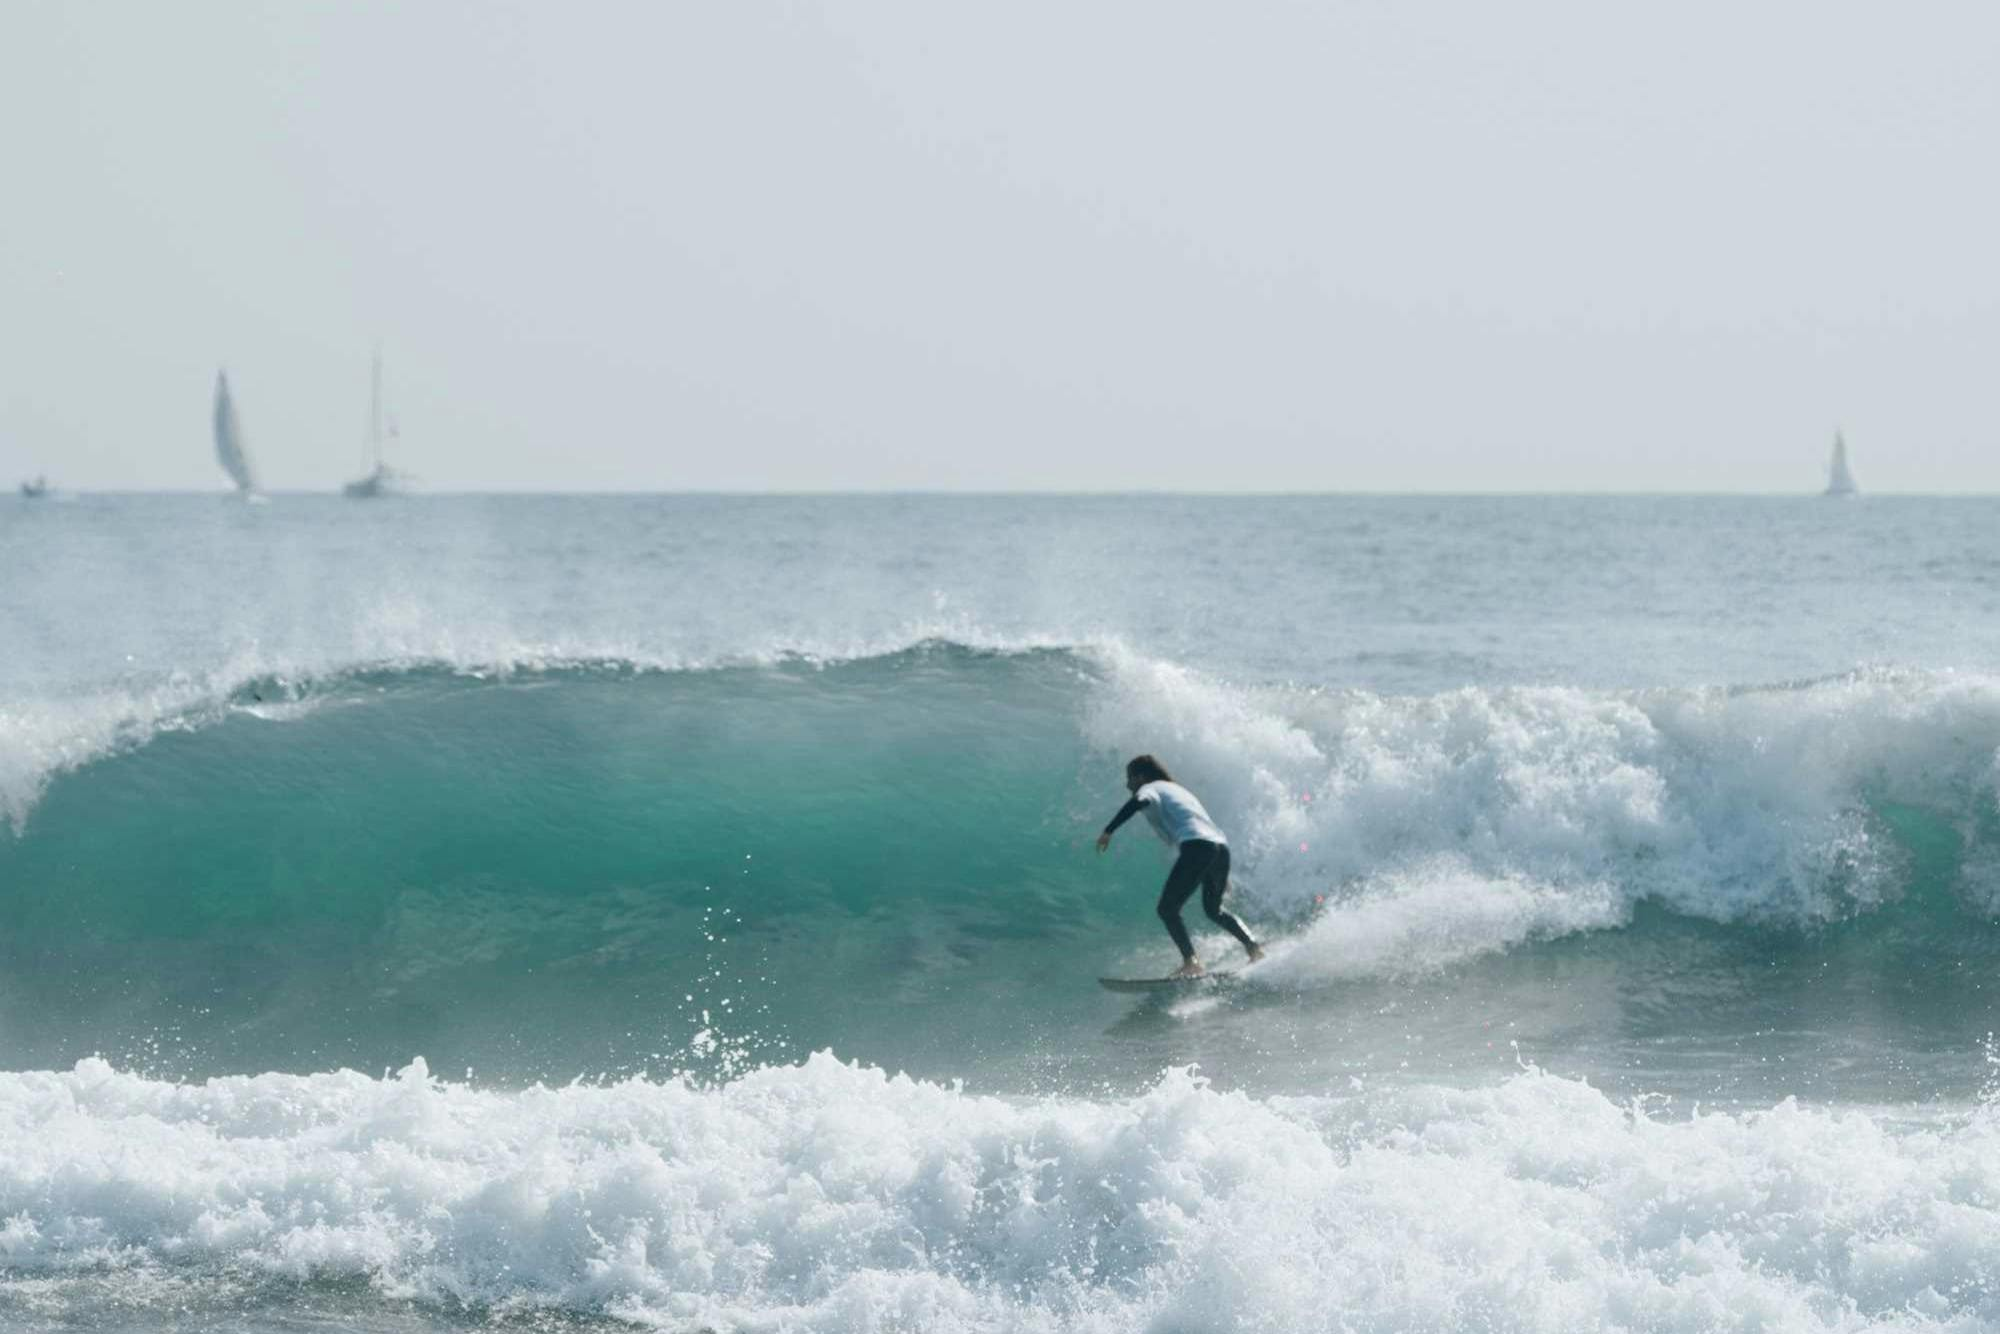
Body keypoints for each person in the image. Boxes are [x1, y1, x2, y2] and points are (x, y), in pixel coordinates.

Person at [1096, 754, 1264, 978]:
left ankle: (1191, 962)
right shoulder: (1180, 791)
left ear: (1142, 777)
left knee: (1167, 909)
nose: (1128, 784)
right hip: (1220, 849)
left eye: (1130, 778)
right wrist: (1220, 872)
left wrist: (1109, 830)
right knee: (1214, 911)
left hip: (1197, 847)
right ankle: (1254, 948)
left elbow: (1139, 801)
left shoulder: (1151, 788)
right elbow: (1206, 828)